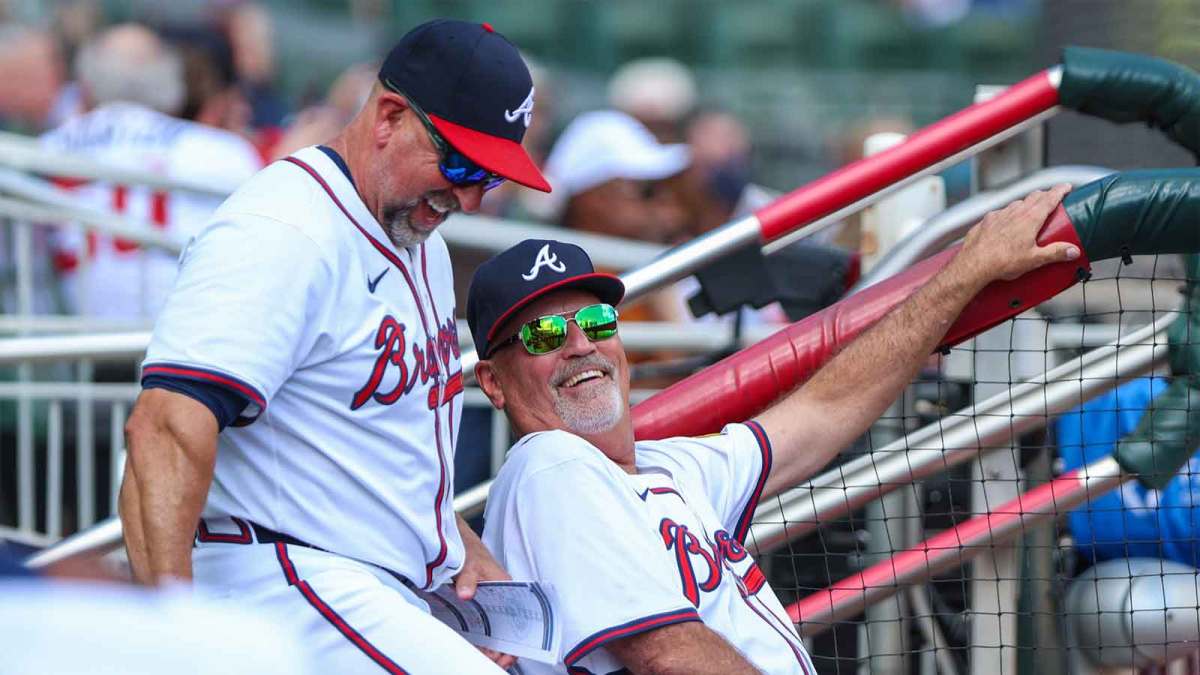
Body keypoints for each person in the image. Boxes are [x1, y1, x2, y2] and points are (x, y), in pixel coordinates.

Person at [469, 185, 1076, 674]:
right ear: (494, 383)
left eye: (598, 321)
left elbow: (824, 409)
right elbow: (666, 655)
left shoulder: (667, 467)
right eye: (544, 335)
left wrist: (964, 273)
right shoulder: (550, 466)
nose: (581, 345)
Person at [118, 19, 550, 674]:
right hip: (278, 576)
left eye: (487, 177)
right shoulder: (283, 228)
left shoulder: (417, 236)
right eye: (460, 163)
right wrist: (179, 637)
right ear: (388, 116)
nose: (467, 195)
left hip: (366, 582)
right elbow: (165, 429)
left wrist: (454, 545)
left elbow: (364, 454)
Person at [40, 23, 263, 321]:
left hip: (66, 344)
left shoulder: (43, 153)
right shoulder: (223, 153)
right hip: (187, 342)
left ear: (85, 85)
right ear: (170, 82)